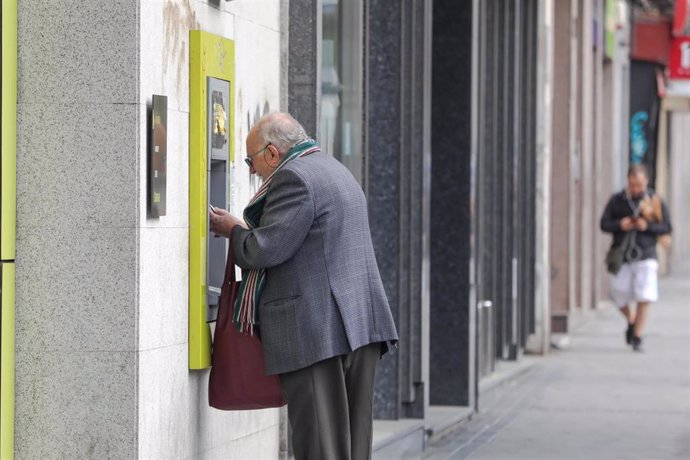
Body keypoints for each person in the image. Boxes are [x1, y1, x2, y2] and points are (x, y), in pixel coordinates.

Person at [210, 112, 399, 460]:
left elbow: (265, 249)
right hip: (358, 325)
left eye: (251, 161)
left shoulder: (294, 178)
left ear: (271, 153)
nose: (252, 171)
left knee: (320, 445)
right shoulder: (333, 169)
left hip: (317, 331)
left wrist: (234, 231)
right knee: (353, 446)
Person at [600, 164, 672, 352]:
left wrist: (646, 226)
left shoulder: (655, 200)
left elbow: (667, 227)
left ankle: (638, 336)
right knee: (617, 293)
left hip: (646, 254)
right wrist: (620, 224)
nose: (636, 189)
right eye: (632, 185)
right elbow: (604, 223)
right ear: (627, 182)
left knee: (645, 294)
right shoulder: (618, 200)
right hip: (622, 255)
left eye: (639, 185)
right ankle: (631, 319)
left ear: (646, 181)